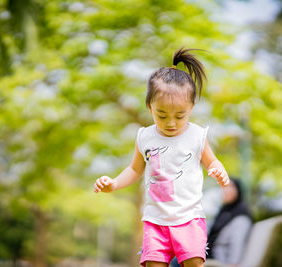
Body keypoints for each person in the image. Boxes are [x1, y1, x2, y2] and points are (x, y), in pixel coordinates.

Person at [94, 47, 230, 267]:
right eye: (162, 115)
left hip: (189, 218)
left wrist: (218, 169)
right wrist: (114, 183)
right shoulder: (145, 136)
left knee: (194, 263)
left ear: (192, 108)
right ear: (150, 107)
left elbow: (211, 161)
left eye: (179, 115)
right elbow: (135, 169)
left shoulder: (196, 135)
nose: (171, 123)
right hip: (155, 221)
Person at [206, 178, 253, 266]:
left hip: (217, 262)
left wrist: (233, 264)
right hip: (209, 258)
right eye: (223, 187)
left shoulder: (241, 217)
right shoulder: (224, 213)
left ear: (238, 190)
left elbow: (237, 244)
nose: (225, 190)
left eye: (230, 187)